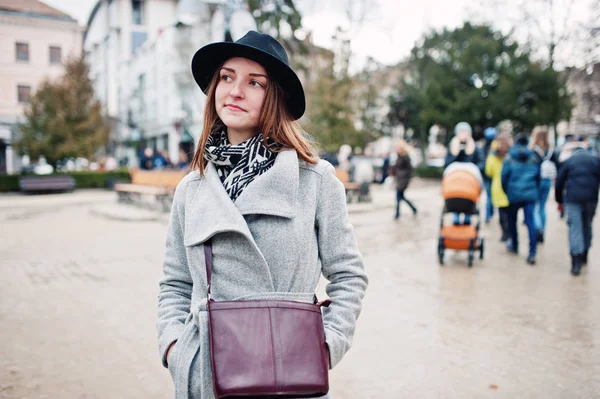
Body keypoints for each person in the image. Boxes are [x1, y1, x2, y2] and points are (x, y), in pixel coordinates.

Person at [156, 31, 368, 398]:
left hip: (288, 376)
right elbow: (175, 285)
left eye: (255, 83)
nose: (235, 91)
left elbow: (349, 276)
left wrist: (325, 346)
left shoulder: (315, 181)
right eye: (226, 77)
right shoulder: (192, 190)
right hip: (207, 378)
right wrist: (176, 349)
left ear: (275, 98)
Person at [555, 140, 600, 276]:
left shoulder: (570, 161)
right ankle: (584, 252)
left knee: (575, 227)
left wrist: (559, 200)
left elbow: (559, 182)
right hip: (591, 198)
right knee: (587, 225)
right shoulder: (595, 160)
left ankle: (576, 260)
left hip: (573, 198)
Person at [501, 134, 541, 265]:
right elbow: (538, 177)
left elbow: (504, 177)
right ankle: (532, 252)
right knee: (530, 223)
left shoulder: (509, 157)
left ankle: (515, 244)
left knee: (512, 221)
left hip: (514, 194)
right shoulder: (534, 157)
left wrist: (507, 191)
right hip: (530, 195)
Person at [444, 121, 485, 225]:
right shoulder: (452, 146)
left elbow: (481, 163)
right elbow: (447, 163)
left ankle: (467, 221)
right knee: (455, 204)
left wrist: (470, 169)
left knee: (468, 207)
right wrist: (456, 154)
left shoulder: (474, 147)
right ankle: (456, 220)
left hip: (469, 182)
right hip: (455, 181)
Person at [530, 126, 557, 244]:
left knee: (535, 206)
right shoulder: (551, 150)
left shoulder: (533, 150)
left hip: (537, 180)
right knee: (542, 206)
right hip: (548, 180)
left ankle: (538, 227)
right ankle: (543, 230)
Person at [485, 132, 512, 242]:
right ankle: (510, 232)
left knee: (501, 213)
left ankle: (505, 232)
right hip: (510, 187)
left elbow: (488, 171)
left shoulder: (492, 157)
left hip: (498, 186)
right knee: (510, 213)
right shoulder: (511, 156)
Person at [390, 140, 418, 220]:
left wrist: (403, 176)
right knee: (401, 197)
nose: (397, 149)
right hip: (399, 179)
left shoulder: (406, 157)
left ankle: (397, 214)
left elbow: (409, 170)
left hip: (403, 180)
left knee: (398, 196)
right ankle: (413, 208)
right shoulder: (398, 156)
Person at [482, 127, 497, 223]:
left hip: (487, 175)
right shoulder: (495, 148)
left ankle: (489, 214)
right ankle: (490, 213)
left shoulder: (484, 148)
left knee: (489, 196)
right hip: (493, 175)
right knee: (492, 196)